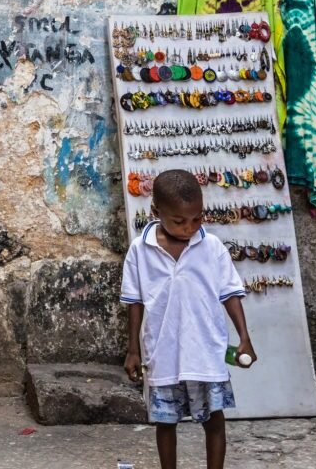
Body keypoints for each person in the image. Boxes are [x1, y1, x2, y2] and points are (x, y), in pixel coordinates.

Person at [123, 169, 256, 469]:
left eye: (197, 219)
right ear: (156, 212)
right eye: (179, 221)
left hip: (205, 352)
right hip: (162, 351)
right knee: (165, 423)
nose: (189, 228)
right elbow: (134, 302)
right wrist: (133, 350)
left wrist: (244, 338)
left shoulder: (212, 248)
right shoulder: (139, 250)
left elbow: (230, 294)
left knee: (214, 420)